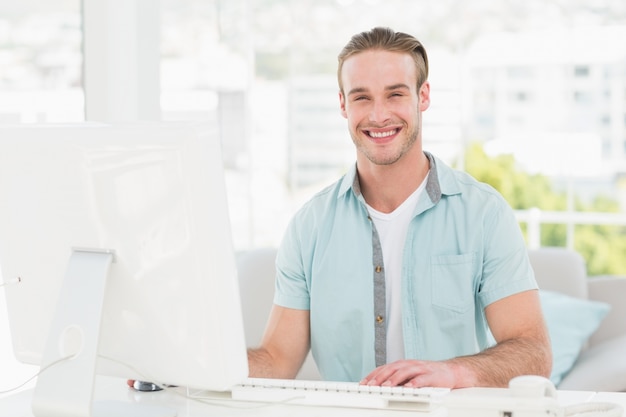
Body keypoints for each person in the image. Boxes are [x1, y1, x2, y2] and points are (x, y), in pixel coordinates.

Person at [247, 26, 552, 389]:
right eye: (362, 97)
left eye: (395, 94)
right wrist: (196, 358)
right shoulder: (309, 226)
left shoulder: (484, 214)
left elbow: (533, 352)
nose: (378, 115)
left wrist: (453, 372)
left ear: (422, 96)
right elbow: (277, 361)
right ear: (343, 104)